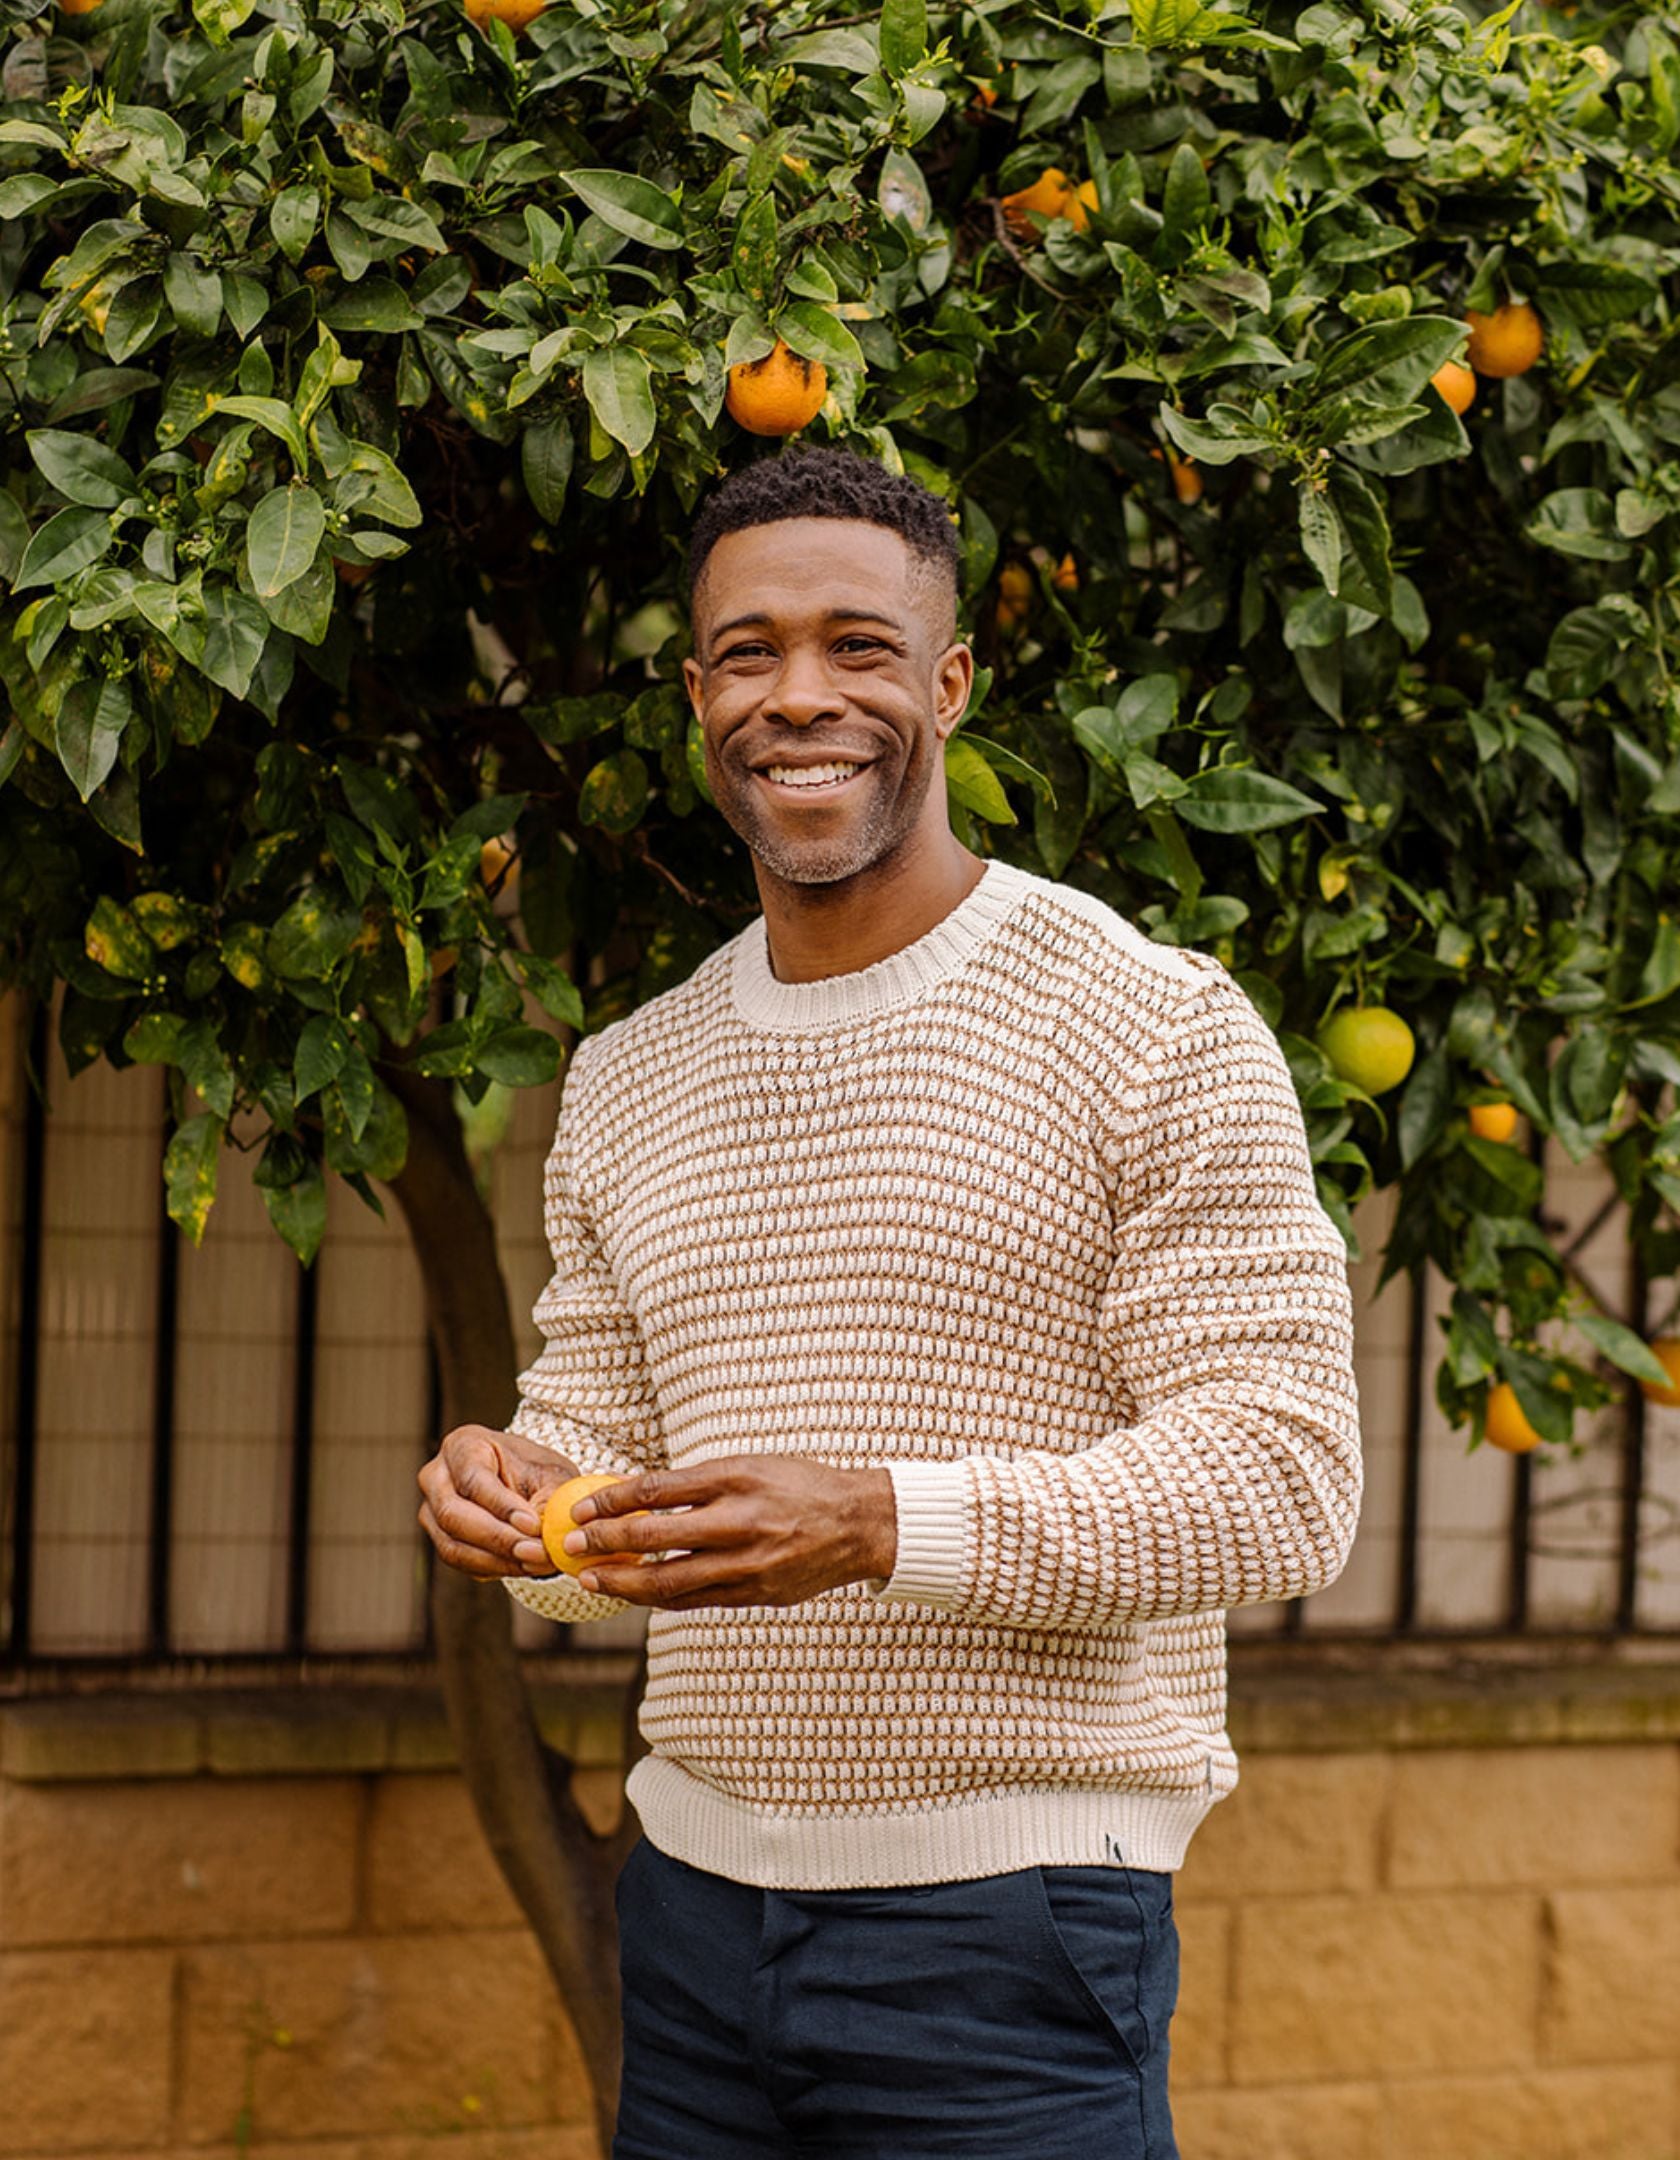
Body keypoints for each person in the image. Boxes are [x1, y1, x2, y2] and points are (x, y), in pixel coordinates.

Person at [416, 446, 1362, 2159]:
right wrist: (524, 1501)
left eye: (858, 647)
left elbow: (1281, 1485)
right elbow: (606, 1477)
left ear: (946, 684)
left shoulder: (1155, 1026)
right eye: (752, 652)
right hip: (689, 1912)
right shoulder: (632, 1074)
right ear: (699, 694)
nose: (803, 697)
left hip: (1011, 1936)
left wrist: (877, 1524)